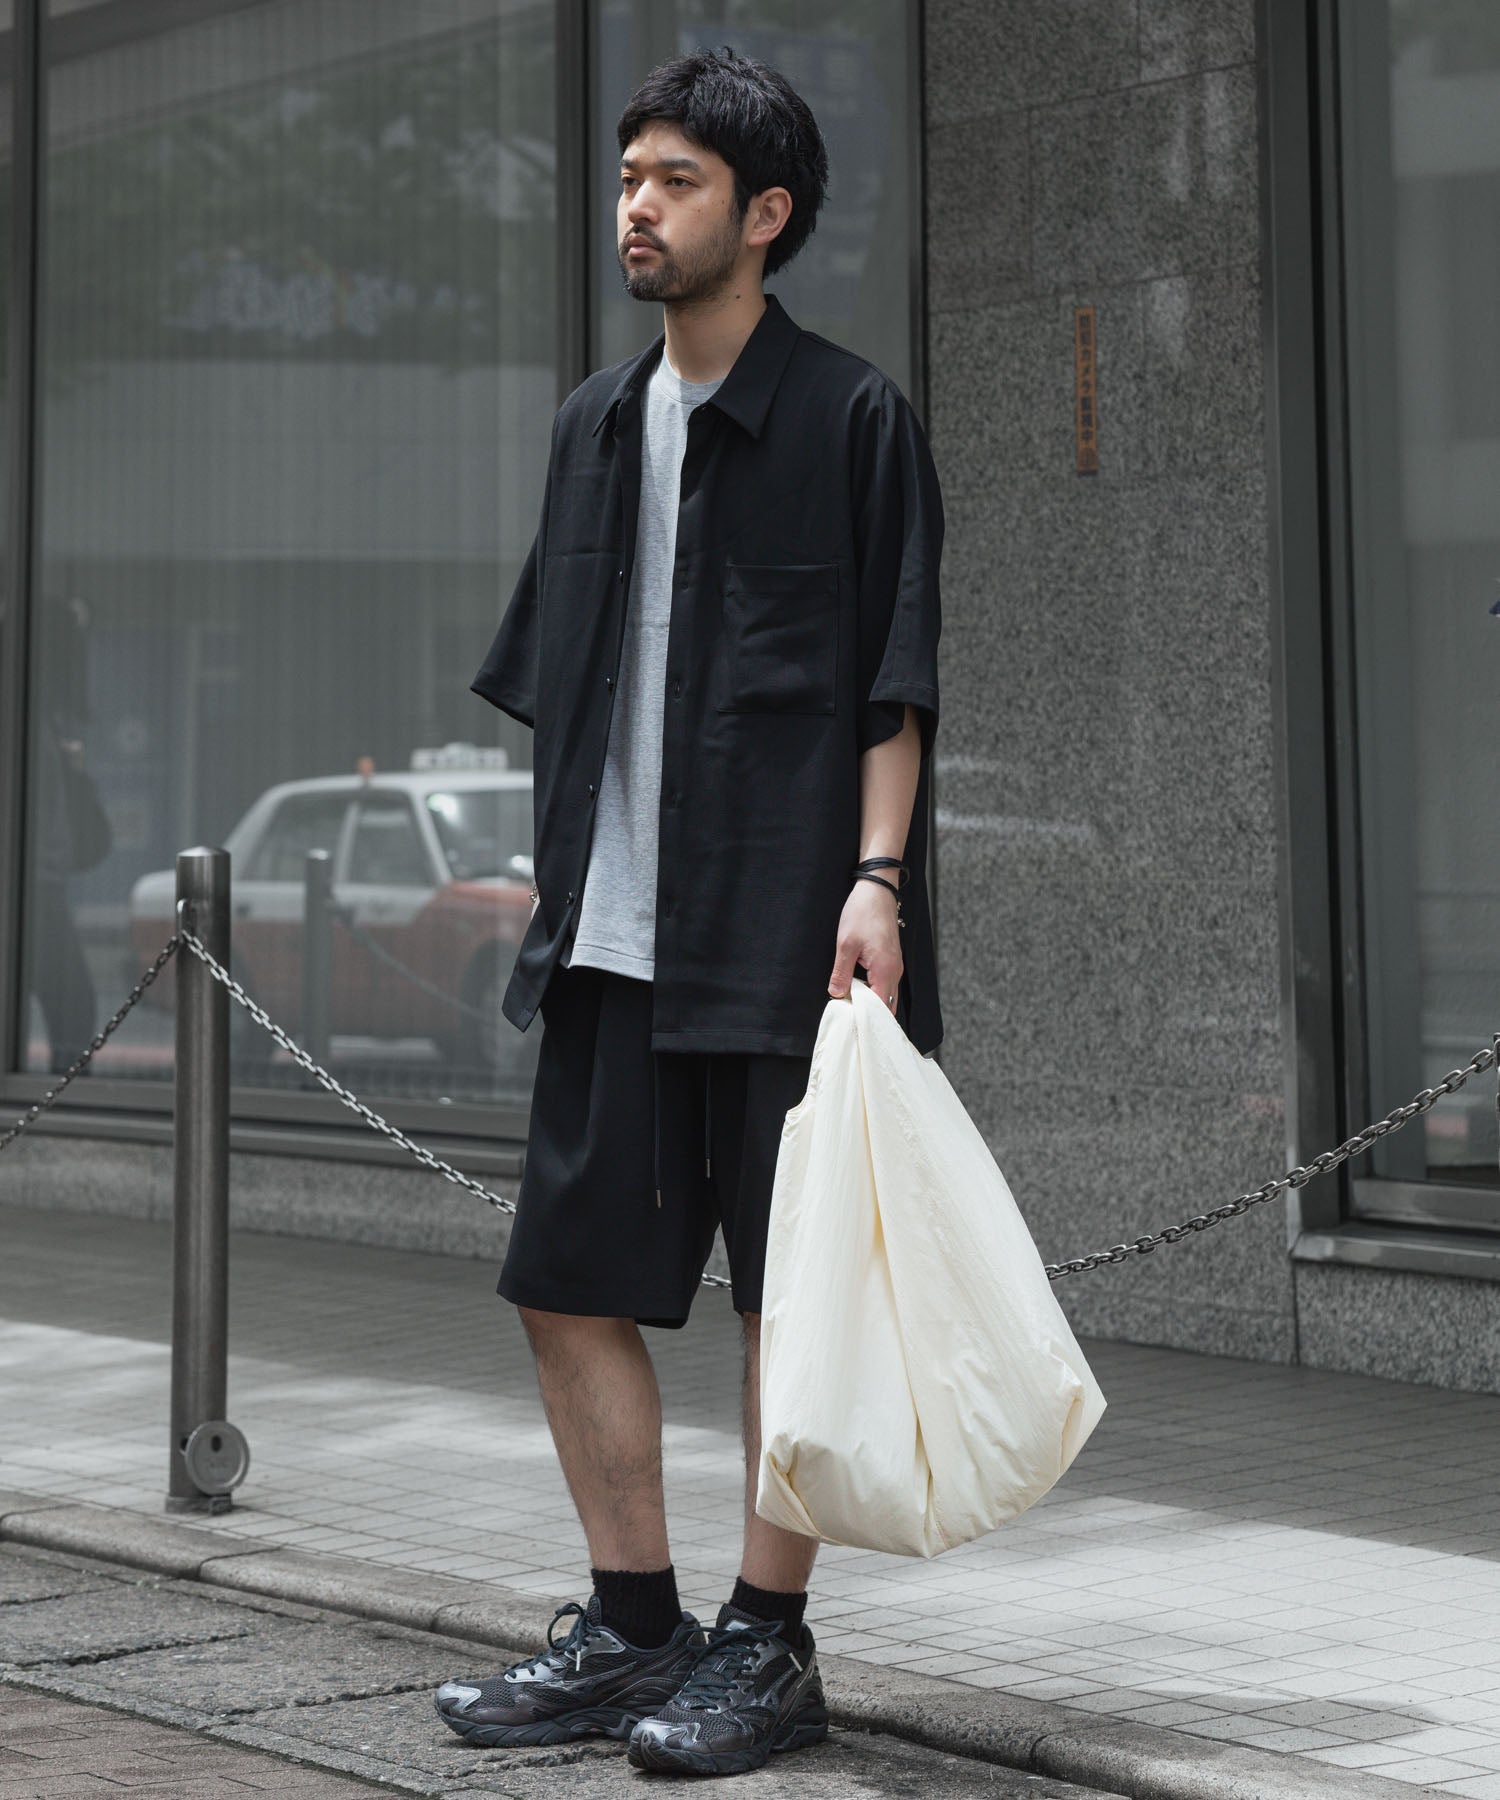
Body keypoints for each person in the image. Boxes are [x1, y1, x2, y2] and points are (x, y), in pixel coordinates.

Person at [435, 46, 944, 1779]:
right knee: (561, 1280)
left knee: (782, 1304)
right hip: (608, 935)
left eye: (675, 182)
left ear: (766, 213)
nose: (636, 208)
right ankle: (632, 1625)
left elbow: (893, 681)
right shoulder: (595, 422)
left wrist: (878, 882)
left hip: (784, 935)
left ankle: (767, 1645)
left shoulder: (853, 418)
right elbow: (567, 675)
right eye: (629, 177)